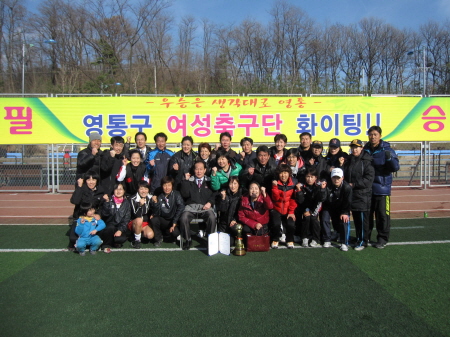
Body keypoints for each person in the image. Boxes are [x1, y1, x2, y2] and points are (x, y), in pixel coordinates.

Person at [363, 126, 399, 249]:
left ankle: (382, 238)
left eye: (375, 134)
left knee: (382, 215)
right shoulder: (365, 150)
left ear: (380, 136)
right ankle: (365, 238)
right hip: (367, 189)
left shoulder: (386, 149)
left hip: (382, 188)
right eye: (370, 134)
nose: (372, 137)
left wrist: (389, 158)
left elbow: (395, 168)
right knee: (367, 215)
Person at [344, 139, 375, 251]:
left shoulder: (366, 161)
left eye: (357, 147)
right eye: (353, 147)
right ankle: (358, 238)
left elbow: (368, 179)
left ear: (361, 148)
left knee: (363, 220)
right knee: (356, 219)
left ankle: (363, 241)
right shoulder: (350, 160)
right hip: (353, 195)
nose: (354, 149)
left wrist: (354, 184)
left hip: (362, 195)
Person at [179, 161, 217, 250]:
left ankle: (210, 239)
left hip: (205, 207)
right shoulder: (189, 180)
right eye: (197, 169)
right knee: (184, 217)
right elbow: (184, 194)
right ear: (194, 170)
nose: (199, 171)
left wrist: (210, 202)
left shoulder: (209, 180)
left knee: (212, 217)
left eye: (201, 169)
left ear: (205, 170)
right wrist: (185, 181)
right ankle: (188, 239)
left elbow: (215, 194)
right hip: (191, 207)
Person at [68, 170, 105, 250]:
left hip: (93, 220)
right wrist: (79, 187)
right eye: (88, 180)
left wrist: (99, 214)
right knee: (73, 239)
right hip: (81, 219)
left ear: (97, 180)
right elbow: (75, 201)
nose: (91, 182)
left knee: (101, 233)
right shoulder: (82, 189)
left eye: (93, 180)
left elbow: (101, 207)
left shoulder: (100, 191)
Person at [270, 164, 303, 249]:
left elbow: (295, 199)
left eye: (285, 173)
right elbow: (275, 198)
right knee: (276, 224)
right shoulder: (275, 182)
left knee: (291, 224)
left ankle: (290, 240)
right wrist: (274, 187)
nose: (283, 175)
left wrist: (291, 212)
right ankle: (275, 239)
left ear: (289, 174)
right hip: (276, 208)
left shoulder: (294, 183)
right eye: (281, 173)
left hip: (289, 209)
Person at [322, 168, 352, 250]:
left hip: (342, 208)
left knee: (344, 220)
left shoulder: (347, 187)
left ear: (342, 178)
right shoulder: (327, 185)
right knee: (324, 218)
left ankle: (344, 242)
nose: (336, 180)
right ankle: (327, 239)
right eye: (334, 177)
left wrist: (345, 212)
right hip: (329, 206)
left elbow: (348, 201)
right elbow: (323, 199)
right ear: (331, 178)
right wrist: (322, 189)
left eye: (338, 177)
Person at [150, 176, 184, 247]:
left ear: (172, 186)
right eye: (165, 185)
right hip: (163, 219)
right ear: (162, 186)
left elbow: (181, 207)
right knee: (154, 219)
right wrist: (155, 203)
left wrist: (174, 222)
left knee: (175, 233)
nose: (167, 188)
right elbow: (157, 213)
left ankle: (172, 237)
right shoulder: (159, 195)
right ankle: (158, 239)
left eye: (169, 185)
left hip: (173, 220)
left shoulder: (176, 194)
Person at [299, 167, 327, 247]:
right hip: (305, 207)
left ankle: (315, 238)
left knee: (313, 219)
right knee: (306, 218)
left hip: (316, 207)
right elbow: (300, 201)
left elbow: (320, 201)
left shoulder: (319, 186)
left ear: (316, 178)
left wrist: (312, 212)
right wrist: (305, 210)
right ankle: (305, 237)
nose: (309, 179)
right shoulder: (301, 186)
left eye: (312, 177)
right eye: (308, 176)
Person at [100, 182, 131, 253]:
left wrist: (120, 230)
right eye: (116, 189)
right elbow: (104, 215)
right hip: (108, 226)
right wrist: (107, 203)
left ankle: (111, 241)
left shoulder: (127, 203)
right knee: (110, 228)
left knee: (121, 239)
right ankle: (106, 245)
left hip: (119, 227)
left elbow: (126, 219)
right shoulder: (109, 200)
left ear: (124, 191)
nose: (118, 191)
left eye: (121, 189)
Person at [216, 176, 243, 243]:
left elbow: (242, 212)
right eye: (231, 184)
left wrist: (234, 220)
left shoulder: (242, 196)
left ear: (238, 184)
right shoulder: (224, 194)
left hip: (235, 222)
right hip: (224, 223)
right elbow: (222, 209)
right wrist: (223, 199)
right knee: (224, 242)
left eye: (235, 183)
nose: (233, 186)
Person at [128, 181, 154, 249]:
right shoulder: (132, 199)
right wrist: (140, 205)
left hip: (144, 222)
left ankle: (139, 233)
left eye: (146, 189)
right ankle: (137, 240)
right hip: (134, 222)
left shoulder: (150, 197)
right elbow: (136, 215)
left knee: (150, 235)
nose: (144, 191)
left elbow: (153, 210)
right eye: (141, 189)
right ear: (138, 189)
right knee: (139, 220)